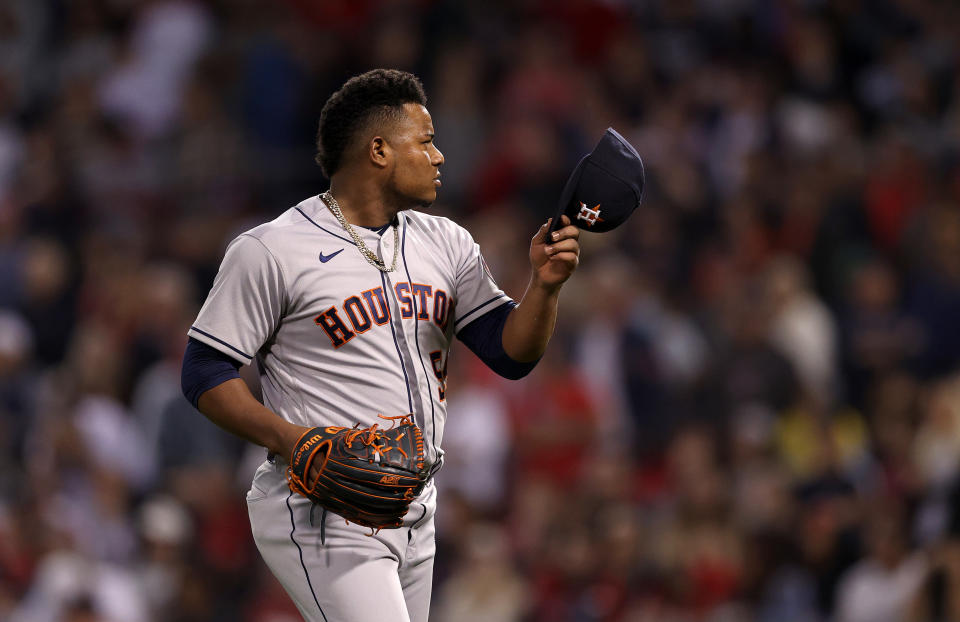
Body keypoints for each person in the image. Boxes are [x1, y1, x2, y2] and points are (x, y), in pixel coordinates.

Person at [179, 68, 580, 621]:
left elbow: (510, 354)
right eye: (426, 141)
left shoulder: (447, 241)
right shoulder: (272, 249)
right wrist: (293, 440)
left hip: (416, 504)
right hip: (323, 504)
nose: (440, 156)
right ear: (379, 150)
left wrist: (545, 287)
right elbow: (203, 370)